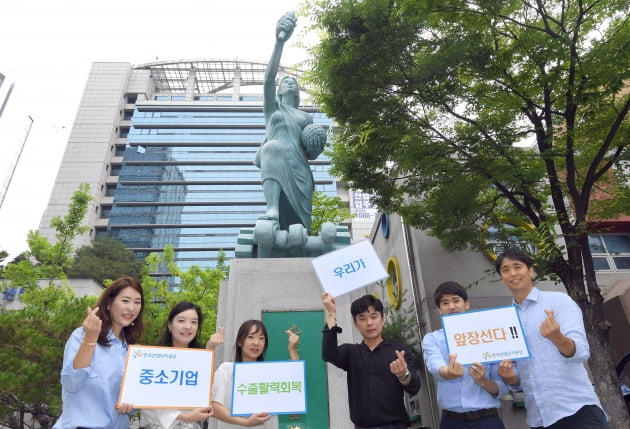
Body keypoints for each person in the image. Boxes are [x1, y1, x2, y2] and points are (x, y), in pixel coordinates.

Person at [495, 247, 609, 429]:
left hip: (577, 411)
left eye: (518, 267)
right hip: (538, 417)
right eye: (505, 270)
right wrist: (510, 378)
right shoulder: (505, 319)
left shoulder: (558, 302)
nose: (513, 273)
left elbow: (581, 352)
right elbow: (519, 372)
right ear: (502, 277)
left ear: (531, 270)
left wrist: (557, 337)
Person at [254, 11, 327, 232]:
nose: (289, 83)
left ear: (297, 93)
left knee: (300, 231)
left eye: (293, 82)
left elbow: (310, 153)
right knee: (272, 147)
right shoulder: (273, 108)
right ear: (278, 89)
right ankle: (272, 209)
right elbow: (268, 79)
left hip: (300, 171)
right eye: (285, 81)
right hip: (276, 162)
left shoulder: (306, 117)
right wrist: (279, 42)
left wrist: (317, 148)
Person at [52, 277, 145, 429]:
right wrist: (90, 338)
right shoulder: (83, 335)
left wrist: (130, 405)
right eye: (125, 300)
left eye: (137, 302)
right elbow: (71, 383)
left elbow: (131, 399)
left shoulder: (133, 350)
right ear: (109, 303)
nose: (131, 308)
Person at [322, 293, 421, 429]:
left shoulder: (398, 351)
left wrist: (403, 374)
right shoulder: (351, 352)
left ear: (383, 319)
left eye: (374, 317)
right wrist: (332, 314)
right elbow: (329, 354)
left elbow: (414, 386)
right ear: (355, 324)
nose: (369, 323)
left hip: (396, 426)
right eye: (362, 319)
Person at [422, 281, 508, 429]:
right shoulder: (432, 339)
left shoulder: (489, 337)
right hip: (452, 421)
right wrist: (448, 372)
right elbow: (434, 364)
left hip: (487, 420)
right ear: (439, 309)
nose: (451, 306)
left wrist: (483, 381)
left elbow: (502, 388)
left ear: (466, 304)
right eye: (445, 303)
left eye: (456, 300)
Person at [141, 301, 217, 428]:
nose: (188, 327)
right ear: (170, 325)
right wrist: (185, 417)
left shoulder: (200, 359)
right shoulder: (153, 357)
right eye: (181, 320)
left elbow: (207, 394)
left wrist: (209, 353)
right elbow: (147, 400)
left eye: (194, 322)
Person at [211, 319, 300, 428]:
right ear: (239, 341)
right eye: (250, 337)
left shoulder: (271, 373)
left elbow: (295, 384)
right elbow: (214, 407)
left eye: (261, 338)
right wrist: (246, 423)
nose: (256, 343)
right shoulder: (227, 369)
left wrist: (292, 349)